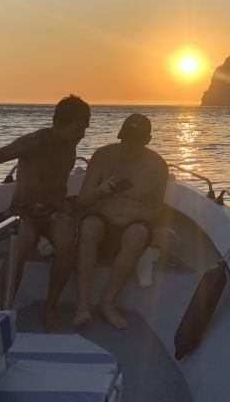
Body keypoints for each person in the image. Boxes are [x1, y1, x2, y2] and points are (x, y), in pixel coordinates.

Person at [0, 94, 90, 333]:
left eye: (85, 129)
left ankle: (50, 309)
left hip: (55, 209)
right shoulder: (34, 141)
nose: (81, 135)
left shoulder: (71, 145)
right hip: (24, 210)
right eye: (77, 129)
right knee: (22, 243)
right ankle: (5, 309)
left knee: (68, 242)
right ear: (58, 122)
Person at [74, 113, 168, 330]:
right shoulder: (102, 157)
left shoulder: (157, 166)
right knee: (89, 227)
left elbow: (158, 208)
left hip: (134, 225)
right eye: (125, 139)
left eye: (135, 141)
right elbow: (81, 201)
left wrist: (137, 214)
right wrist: (99, 191)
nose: (129, 146)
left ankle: (108, 302)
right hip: (101, 219)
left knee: (137, 234)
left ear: (147, 141)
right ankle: (82, 304)